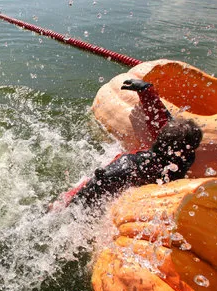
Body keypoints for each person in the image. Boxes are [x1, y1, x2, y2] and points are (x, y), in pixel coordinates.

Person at [48, 79, 203, 211]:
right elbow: (163, 122)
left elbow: (99, 183)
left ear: (159, 140)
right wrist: (146, 91)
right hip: (140, 194)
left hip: (101, 192)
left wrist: (66, 205)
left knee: (58, 205)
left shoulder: (134, 164)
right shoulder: (184, 158)